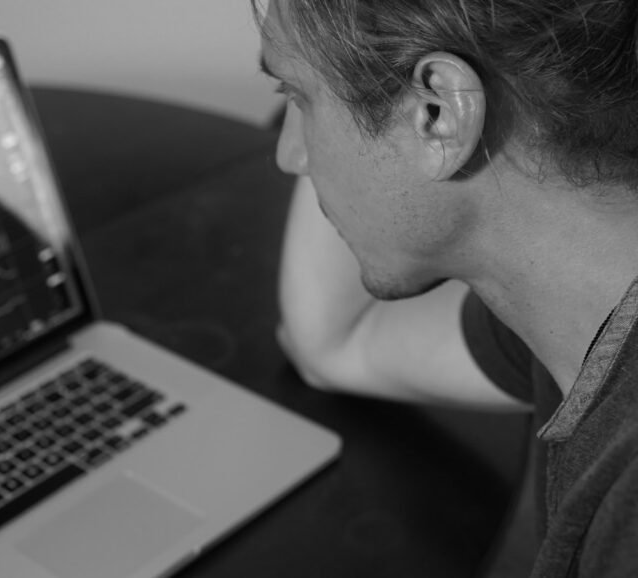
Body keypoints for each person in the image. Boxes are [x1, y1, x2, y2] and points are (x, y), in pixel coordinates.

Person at [257, 0, 638, 576]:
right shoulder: (581, 305)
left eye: (298, 99)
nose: (291, 156)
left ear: (438, 113)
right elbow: (338, 343)